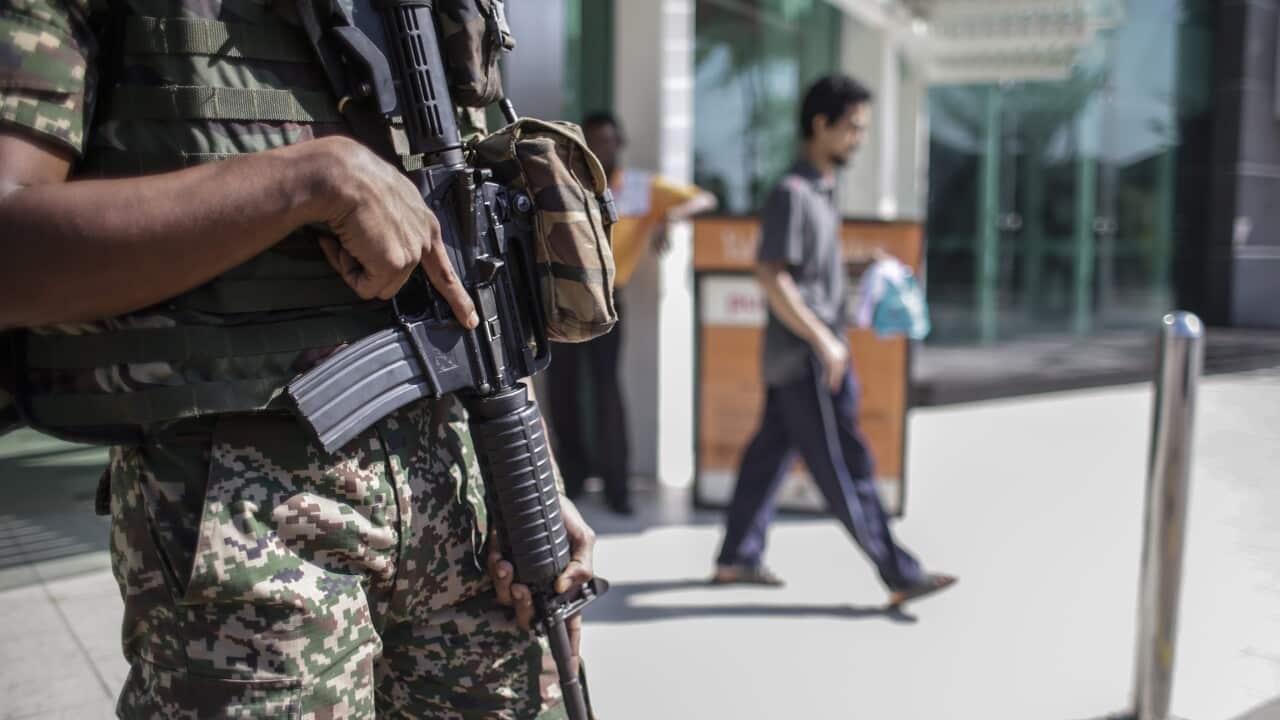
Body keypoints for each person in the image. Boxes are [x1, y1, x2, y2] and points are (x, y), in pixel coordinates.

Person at [0, 3, 596, 717]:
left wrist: (533, 470)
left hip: (478, 509)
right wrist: (308, 181)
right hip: (249, 525)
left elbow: (481, 251)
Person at [711, 75, 955, 608]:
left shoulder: (821, 193)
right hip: (807, 360)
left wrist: (858, 264)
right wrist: (825, 341)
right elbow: (772, 275)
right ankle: (900, 574)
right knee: (847, 468)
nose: (858, 139)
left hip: (801, 359)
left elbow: (804, 272)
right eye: (852, 128)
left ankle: (736, 557)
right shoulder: (792, 194)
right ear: (820, 125)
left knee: (768, 457)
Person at [546, 111, 716, 515]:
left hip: (608, 296)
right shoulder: (568, 181)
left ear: (619, 143)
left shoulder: (639, 188)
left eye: (607, 140)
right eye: (594, 141)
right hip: (564, 294)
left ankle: (616, 487)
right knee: (562, 391)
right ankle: (571, 477)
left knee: (608, 393)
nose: (601, 148)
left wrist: (669, 217)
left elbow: (705, 198)